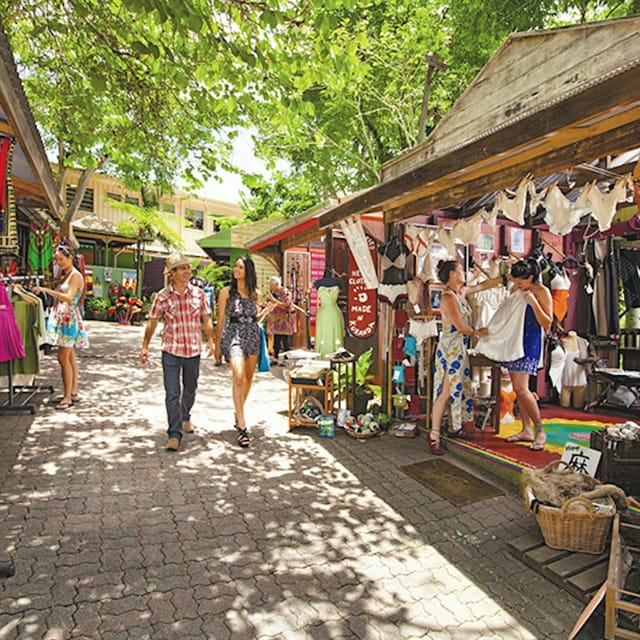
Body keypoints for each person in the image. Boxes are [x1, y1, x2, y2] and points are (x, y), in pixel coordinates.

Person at [139, 253, 214, 452]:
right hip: (170, 350)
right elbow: (153, 321)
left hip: (193, 350)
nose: (187, 272)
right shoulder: (162, 296)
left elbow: (206, 318)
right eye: (182, 268)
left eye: (188, 268)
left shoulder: (199, 294)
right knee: (172, 393)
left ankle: (185, 415)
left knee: (190, 389)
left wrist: (212, 341)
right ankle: (174, 433)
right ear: (172, 273)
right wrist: (145, 346)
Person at [477, 259, 553, 451]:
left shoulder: (542, 291)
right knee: (518, 389)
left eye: (521, 282)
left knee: (521, 388)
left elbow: (547, 322)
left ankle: (540, 430)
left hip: (530, 343)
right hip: (513, 343)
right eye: (515, 282)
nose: (517, 285)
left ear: (531, 277)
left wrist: (533, 303)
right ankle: (526, 429)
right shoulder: (516, 291)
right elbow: (506, 317)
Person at [429, 259, 502, 455]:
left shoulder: (460, 293)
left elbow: (483, 285)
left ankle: (453, 427)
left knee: (456, 389)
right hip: (450, 348)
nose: (464, 272)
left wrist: (503, 275)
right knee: (445, 391)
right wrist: (479, 332)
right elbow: (461, 327)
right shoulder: (448, 297)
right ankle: (434, 436)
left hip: (458, 348)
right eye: (461, 270)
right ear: (453, 274)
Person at [216, 256, 265, 448]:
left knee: (248, 378)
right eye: (235, 266)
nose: (236, 270)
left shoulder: (255, 294)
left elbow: (255, 318)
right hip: (233, 335)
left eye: (240, 267)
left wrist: (266, 311)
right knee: (238, 376)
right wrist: (218, 345)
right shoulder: (226, 292)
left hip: (252, 336)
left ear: (248, 271)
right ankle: (243, 427)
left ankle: (239, 414)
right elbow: (221, 319)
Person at [34, 244, 89, 410]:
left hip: (68, 320)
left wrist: (47, 290)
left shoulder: (75, 276)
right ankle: (72, 392)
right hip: (64, 318)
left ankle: (67, 397)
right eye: (57, 260)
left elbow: (69, 297)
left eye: (61, 259)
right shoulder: (67, 275)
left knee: (63, 358)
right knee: (69, 358)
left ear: (70, 257)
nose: (59, 263)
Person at [265, 275, 295, 363]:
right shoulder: (273, 292)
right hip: (275, 320)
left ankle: (285, 359)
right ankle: (275, 357)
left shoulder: (285, 292)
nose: (270, 287)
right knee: (276, 339)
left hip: (284, 320)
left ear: (277, 284)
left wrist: (274, 300)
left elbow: (286, 305)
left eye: (271, 285)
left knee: (284, 340)